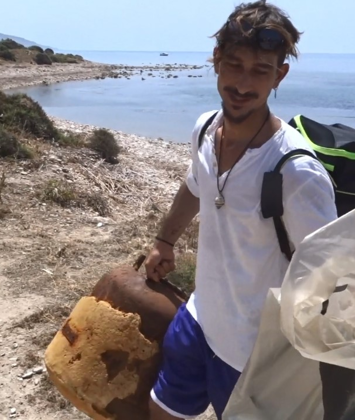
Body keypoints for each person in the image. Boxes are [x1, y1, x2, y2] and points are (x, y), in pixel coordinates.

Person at [143, 2, 340, 418]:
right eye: (234, 65)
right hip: (199, 318)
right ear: (216, 62)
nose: (242, 84)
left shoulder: (297, 172)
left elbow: (332, 275)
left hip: (254, 354)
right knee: (160, 412)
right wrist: (165, 240)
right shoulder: (205, 128)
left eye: (260, 71)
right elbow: (196, 184)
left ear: (279, 76)